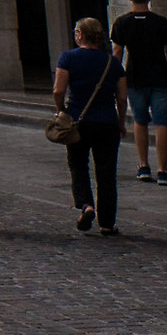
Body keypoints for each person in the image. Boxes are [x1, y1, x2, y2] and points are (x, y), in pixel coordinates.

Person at [55, 15, 127, 235]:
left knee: (78, 164)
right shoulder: (111, 62)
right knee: (106, 172)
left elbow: (58, 90)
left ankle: (86, 205)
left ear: (80, 35)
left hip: (78, 121)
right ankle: (107, 223)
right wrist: (121, 121)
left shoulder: (68, 58)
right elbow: (122, 97)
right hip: (106, 122)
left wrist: (61, 111)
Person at [110, 0, 167, 184]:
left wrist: (115, 77)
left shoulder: (122, 23)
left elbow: (118, 52)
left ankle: (143, 166)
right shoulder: (161, 22)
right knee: (162, 123)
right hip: (160, 76)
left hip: (135, 77)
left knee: (140, 121)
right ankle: (163, 170)